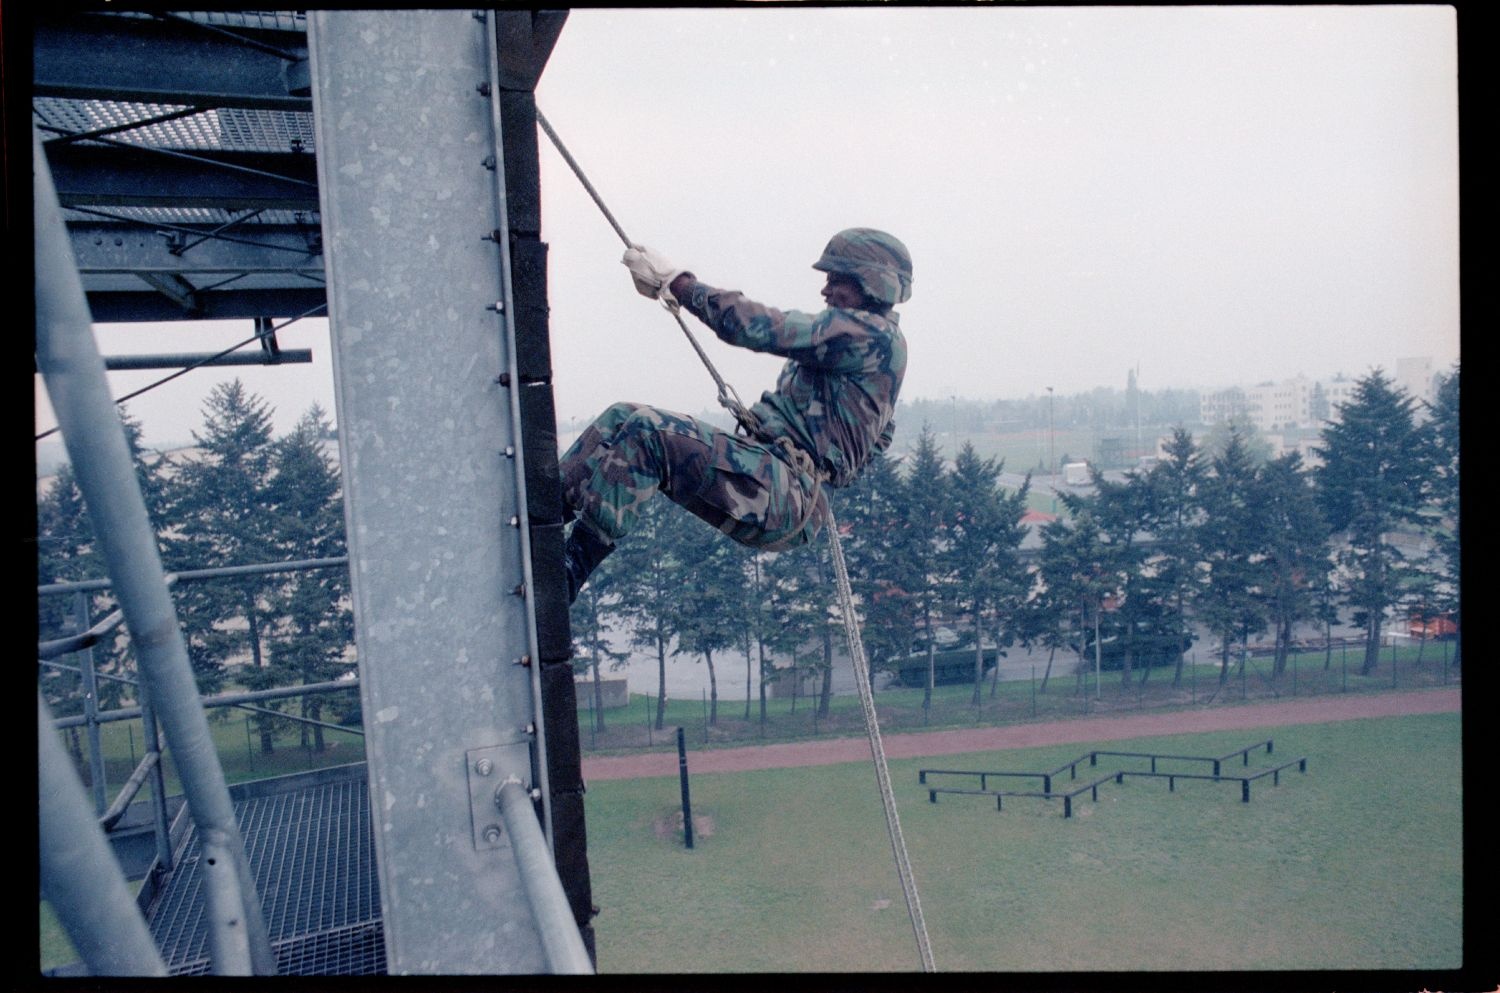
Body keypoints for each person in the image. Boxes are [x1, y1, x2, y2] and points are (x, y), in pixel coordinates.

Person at [558, 228, 911, 603]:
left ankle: (565, 574)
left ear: (871, 285)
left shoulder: (870, 336)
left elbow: (756, 326)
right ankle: (543, 513)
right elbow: (881, 434)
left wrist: (679, 285)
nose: (825, 291)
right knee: (621, 418)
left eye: (836, 281)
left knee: (647, 434)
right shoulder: (861, 347)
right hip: (775, 477)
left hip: (786, 493)